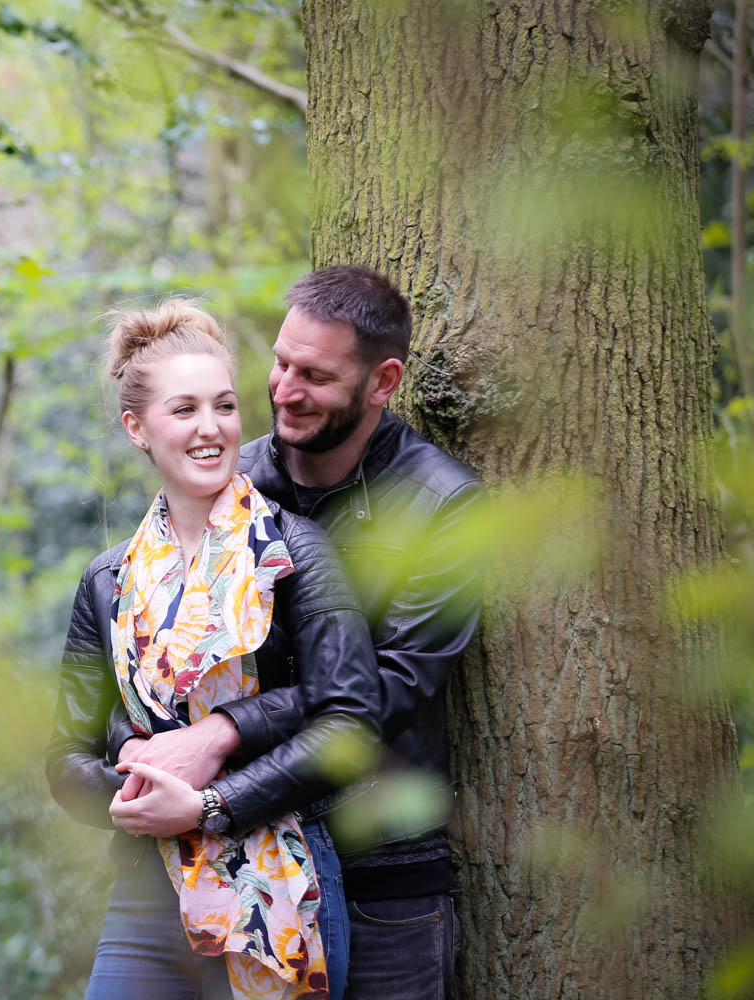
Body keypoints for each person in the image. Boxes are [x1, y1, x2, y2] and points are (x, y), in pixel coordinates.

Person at [110, 267, 484, 1000]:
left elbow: (387, 694)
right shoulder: (228, 474)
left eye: (313, 375)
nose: (282, 389)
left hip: (380, 866)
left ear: (383, 383)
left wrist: (221, 735)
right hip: (230, 858)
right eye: (281, 362)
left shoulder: (443, 506)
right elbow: (156, 644)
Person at [45, 298, 381, 1000]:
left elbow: (351, 723)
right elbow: (65, 757)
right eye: (185, 410)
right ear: (137, 428)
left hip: (280, 883)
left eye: (224, 407)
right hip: (146, 888)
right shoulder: (108, 581)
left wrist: (210, 805)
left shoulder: (295, 554)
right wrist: (136, 793)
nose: (210, 429)